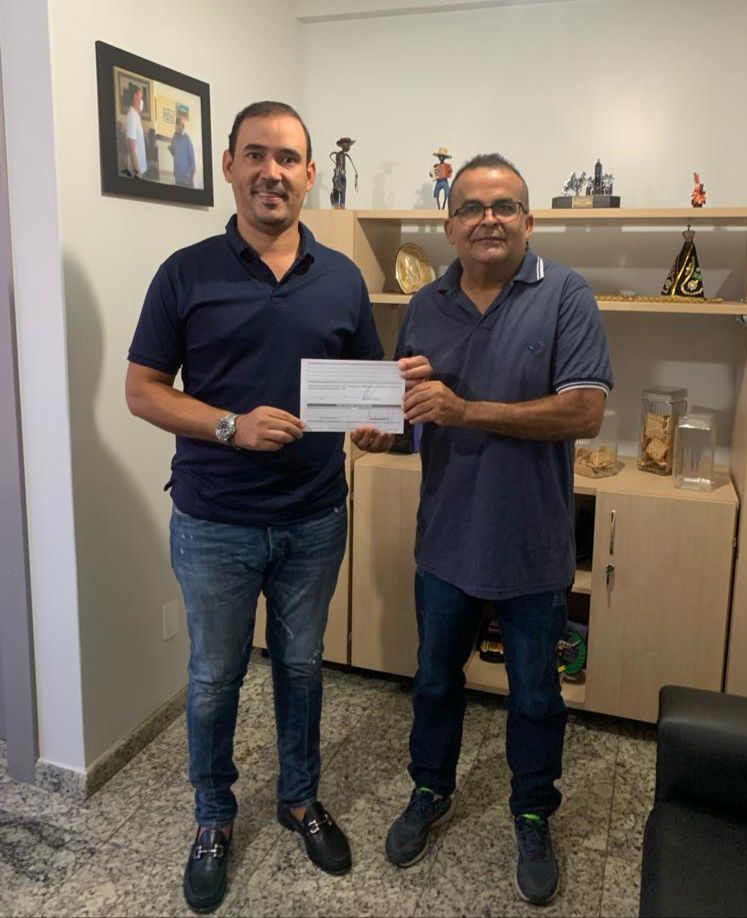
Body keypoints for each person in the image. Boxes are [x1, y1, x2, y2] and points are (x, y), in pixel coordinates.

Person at [125, 100, 427, 913]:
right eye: (256, 155)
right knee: (213, 678)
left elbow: (364, 393)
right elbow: (142, 391)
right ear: (228, 165)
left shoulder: (342, 278)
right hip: (213, 520)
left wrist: (377, 422)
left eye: (288, 158)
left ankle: (299, 800)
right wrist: (231, 425)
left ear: (307, 174)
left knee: (300, 668)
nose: (272, 172)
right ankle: (213, 818)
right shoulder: (185, 272)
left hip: (314, 516)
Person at [381, 154, 613, 906]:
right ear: (450, 225)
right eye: (472, 208)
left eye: (504, 206)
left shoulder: (566, 294)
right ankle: (430, 789)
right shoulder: (425, 303)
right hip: (445, 540)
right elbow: (411, 412)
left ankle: (533, 811)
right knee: (434, 681)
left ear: (529, 221)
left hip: (532, 543)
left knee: (536, 695)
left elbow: (584, 411)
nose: (488, 219)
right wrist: (385, 430)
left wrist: (464, 410)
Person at [124, 83, 147, 178]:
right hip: (137, 172)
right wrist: (138, 173)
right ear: (135, 96)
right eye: (141, 97)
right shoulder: (132, 116)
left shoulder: (136, 116)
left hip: (142, 168)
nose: (142, 100)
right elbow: (131, 147)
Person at [169, 115, 196, 187]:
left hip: (187, 177)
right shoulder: (174, 138)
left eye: (178, 125)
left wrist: (192, 176)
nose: (176, 127)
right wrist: (171, 150)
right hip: (177, 175)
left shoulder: (187, 139)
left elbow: (192, 157)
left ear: (182, 126)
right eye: (176, 124)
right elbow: (174, 153)